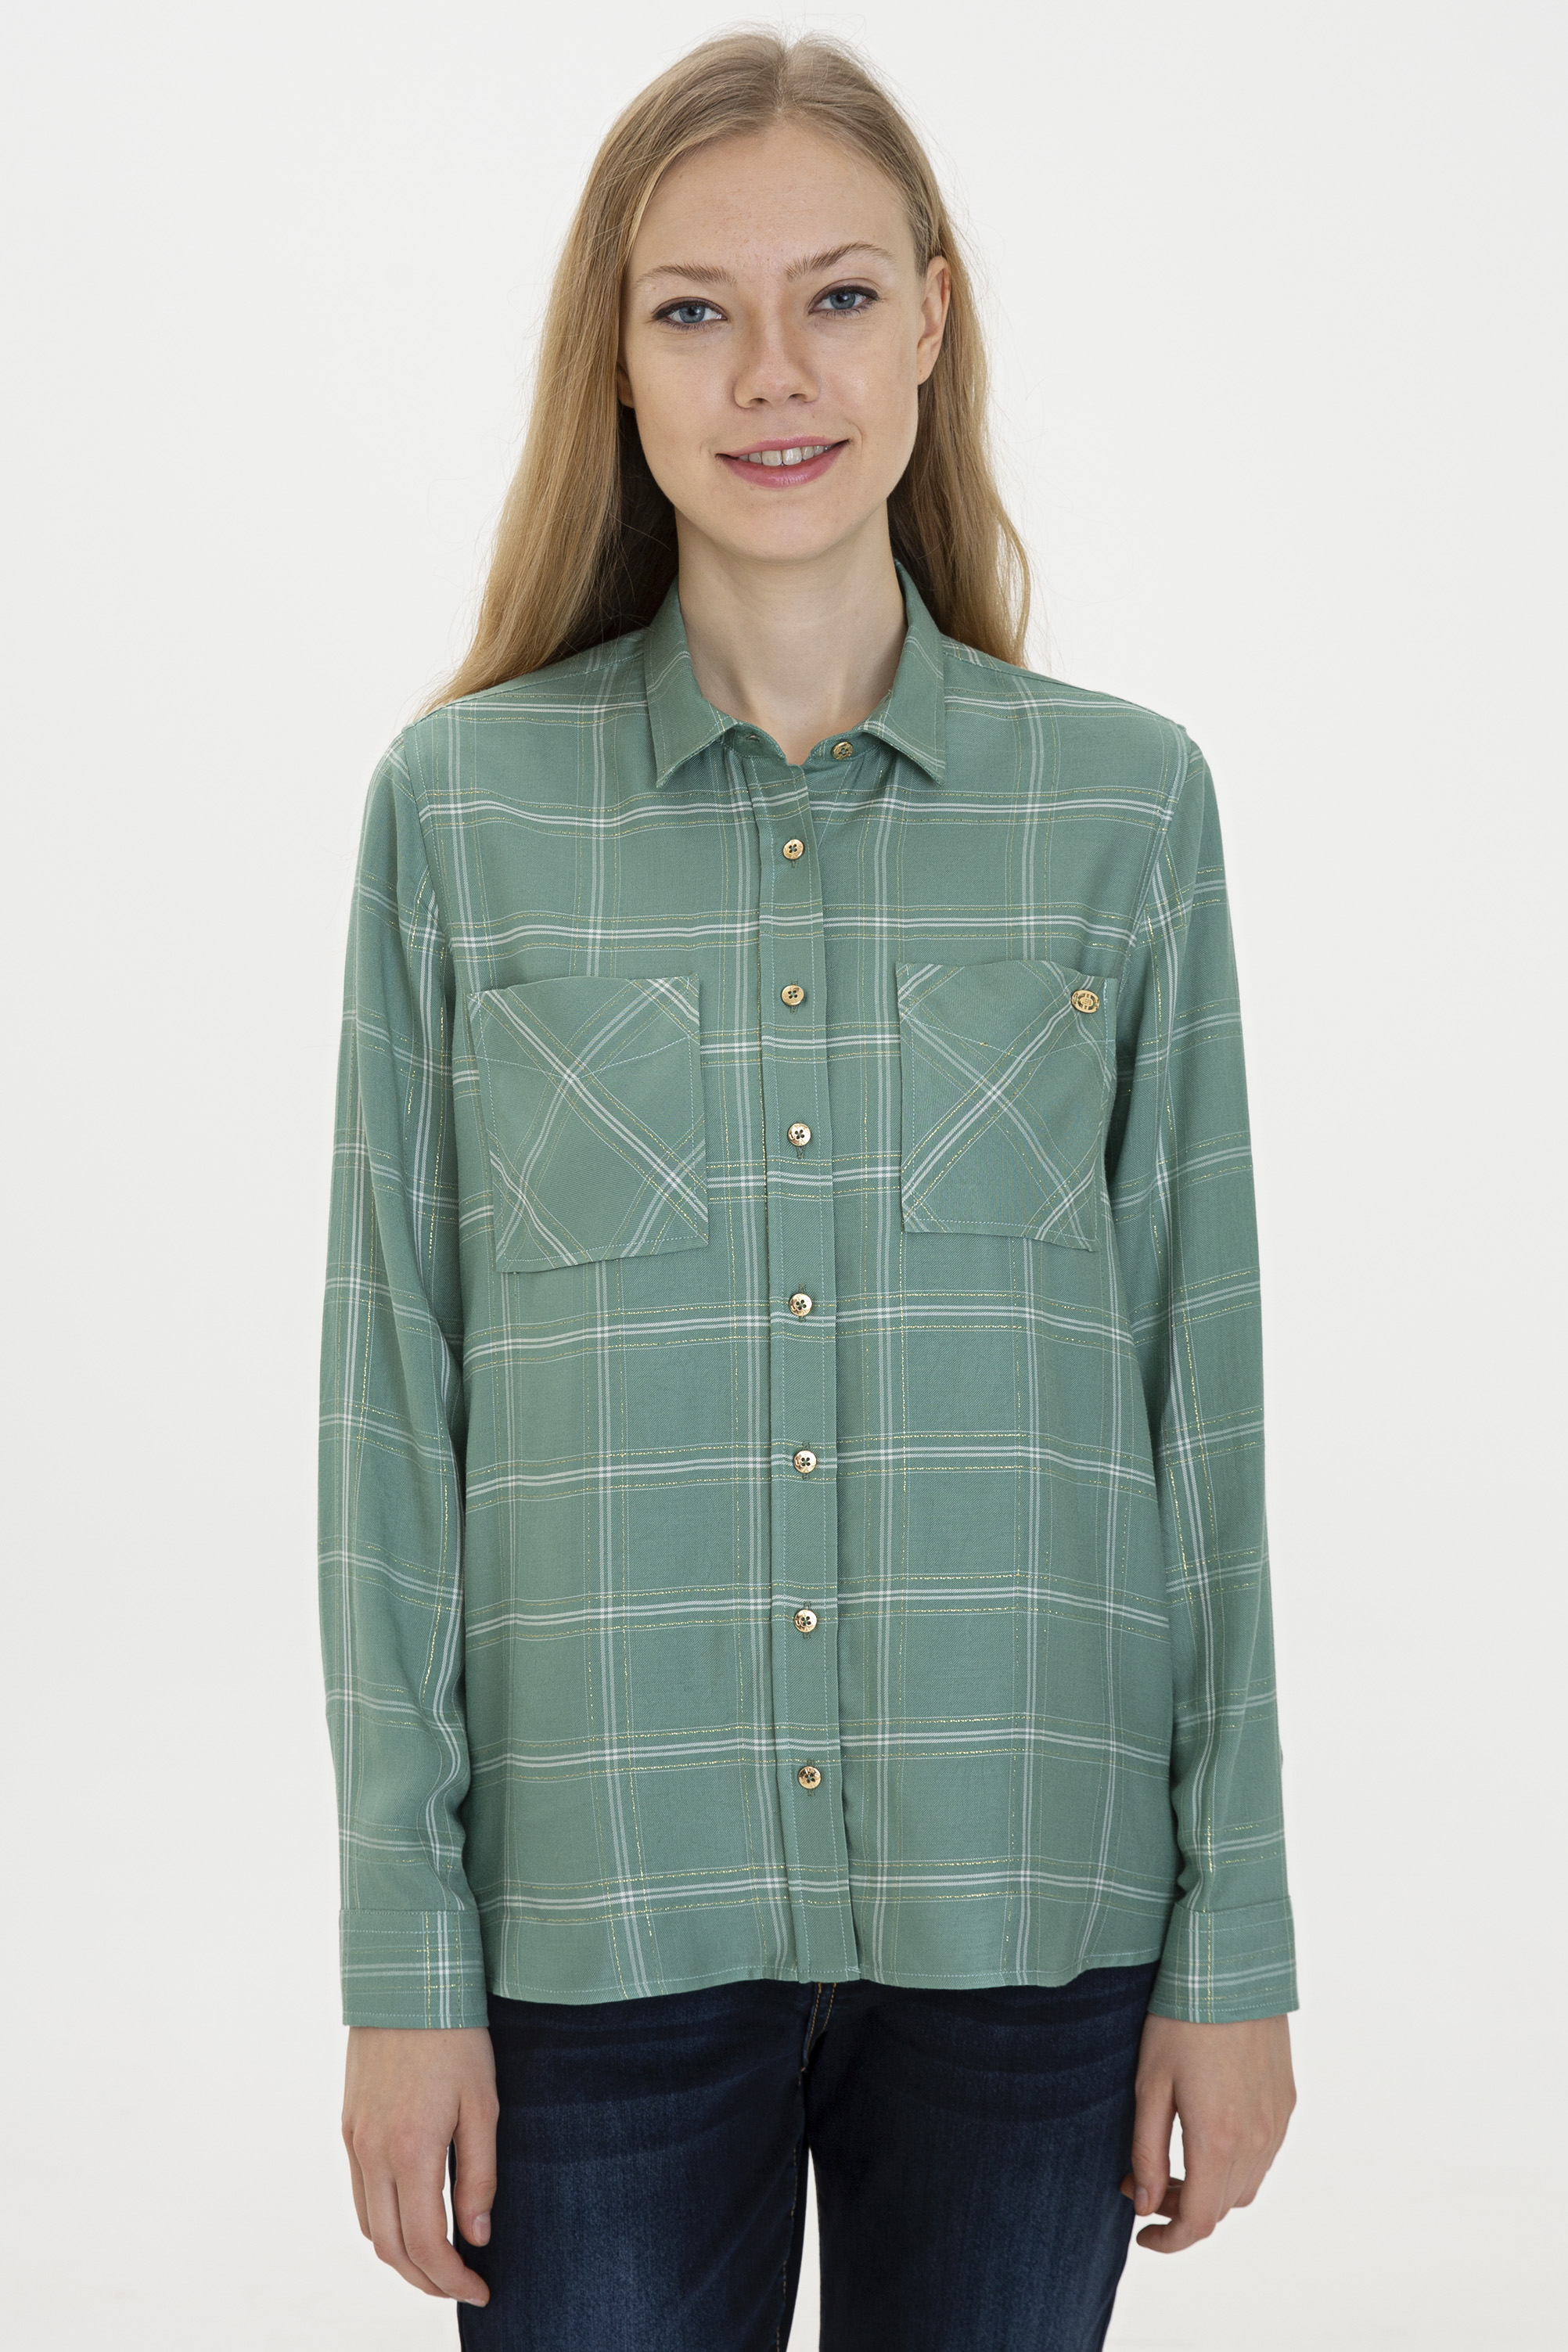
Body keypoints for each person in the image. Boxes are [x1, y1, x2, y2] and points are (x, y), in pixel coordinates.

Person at [318, 29, 1298, 2351]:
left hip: (1034, 1920)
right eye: (695, 309)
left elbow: (1206, 1405)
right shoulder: (460, 814)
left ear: (932, 323)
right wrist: (399, 1971)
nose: (773, 372)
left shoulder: (1123, 813)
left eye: (838, 297)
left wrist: (1235, 1946)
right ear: (617, 358)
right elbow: (387, 1432)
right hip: (591, 1939)